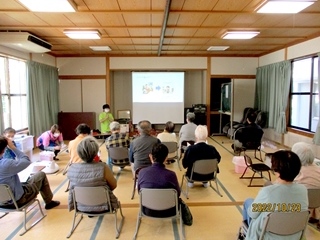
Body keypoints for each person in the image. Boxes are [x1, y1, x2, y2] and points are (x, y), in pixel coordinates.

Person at [242, 150, 308, 240]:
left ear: (277, 172)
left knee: (248, 202)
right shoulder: (303, 190)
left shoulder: (267, 192)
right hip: (294, 235)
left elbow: (253, 214)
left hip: (267, 236)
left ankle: (246, 233)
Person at [0, 136, 60, 210]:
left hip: (1, 203)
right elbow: (26, 160)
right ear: (4, 149)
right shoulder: (6, 164)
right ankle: (49, 202)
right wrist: (13, 147)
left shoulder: (6, 163)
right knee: (41, 175)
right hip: (17, 201)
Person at [67, 136, 118, 212]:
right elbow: (114, 185)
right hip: (104, 206)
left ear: (79, 152)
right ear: (96, 152)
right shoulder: (103, 167)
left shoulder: (72, 169)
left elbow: (72, 188)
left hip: (81, 206)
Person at [138, 143, 181, 217]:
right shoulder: (171, 175)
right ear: (166, 158)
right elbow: (178, 193)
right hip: (169, 211)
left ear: (150, 156)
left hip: (147, 210)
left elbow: (139, 191)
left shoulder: (142, 172)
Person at [292, 142, 320, 228]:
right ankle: (315, 216)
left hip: (301, 203)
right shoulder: (318, 168)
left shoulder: (295, 170)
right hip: (317, 200)